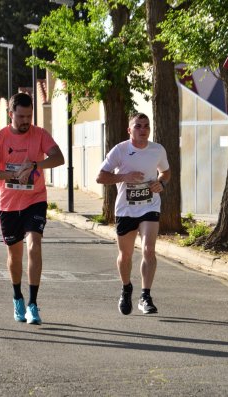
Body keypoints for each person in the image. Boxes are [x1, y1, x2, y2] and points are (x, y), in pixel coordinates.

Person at [0, 92, 64, 325]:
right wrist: (13, 174)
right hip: (8, 204)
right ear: (11, 114)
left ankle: (33, 304)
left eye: (29, 116)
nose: (25, 121)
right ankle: (17, 296)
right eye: (21, 116)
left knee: (34, 245)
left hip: (35, 199)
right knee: (14, 254)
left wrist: (36, 165)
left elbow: (58, 157)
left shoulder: (39, 134)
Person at [96, 112, 170, 315]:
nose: (143, 130)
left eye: (146, 126)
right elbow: (100, 177)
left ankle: (146, 295)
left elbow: (166, 171)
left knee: (148, 249)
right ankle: (126, 288)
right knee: (125, 255)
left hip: (149, 206)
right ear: (129, 130)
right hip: (126, 209)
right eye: (138, 126)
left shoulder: (157, 149)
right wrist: (124, 176)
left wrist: (161, 183)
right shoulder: (120, 150)